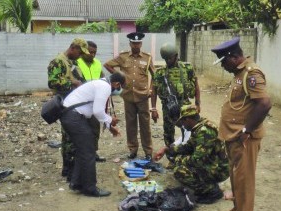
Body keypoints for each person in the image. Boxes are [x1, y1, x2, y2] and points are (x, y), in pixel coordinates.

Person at [211, 37, 272, 211]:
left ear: (233, 57)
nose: (223, 67)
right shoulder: (239, 73)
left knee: (244, 179)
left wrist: (247, 130)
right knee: (236, 177)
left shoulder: (251, 74)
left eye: (223, 62)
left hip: (244, 138)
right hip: (233, 136)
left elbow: (264, 103)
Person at [59, 72, 126, 197]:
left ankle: (76, 183)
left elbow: (96, 112)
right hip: (73, 116)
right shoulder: (105, 86)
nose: (118, 90)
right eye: (119, 87)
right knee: (88, 150)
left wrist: (109, 126)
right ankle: (90, 188)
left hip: (69, 114)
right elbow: (98, 111)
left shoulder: (100, 83)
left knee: (82, 149)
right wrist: (110, 121)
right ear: (116, 84)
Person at [153, 105, 228, 204]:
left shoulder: (204, 132)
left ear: (188, 119)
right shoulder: (199, 127)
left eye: (183, 122)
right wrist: (166, 149)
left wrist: (178, 160)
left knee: (179, 171)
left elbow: (198, 161)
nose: (182, 125)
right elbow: (188, 147)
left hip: (219, 169)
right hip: (212, 162)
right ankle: (206, 185)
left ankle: (211, 191)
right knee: (179, 160)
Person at [104, 32, 155, 160]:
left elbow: (155, 76)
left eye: (138, 43)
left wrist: (150, 89)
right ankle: (133, 149)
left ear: (141, 44)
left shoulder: (147, 58)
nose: (136, 45)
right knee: (131, 125)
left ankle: (148, 151)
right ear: (130, 43)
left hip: (143, 96)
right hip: (128, 95)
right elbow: (107, 64)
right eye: (134, 43)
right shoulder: (123, 57)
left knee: (145, 125)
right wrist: (119, 77)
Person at [47, 38, 88, 180]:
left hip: (75, 104)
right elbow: (53, 83)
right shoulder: (58, 62)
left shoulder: (74, 63)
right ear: (73, 48)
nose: (81, 55)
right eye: (80, 52)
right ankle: (69, 170)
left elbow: (80, 80)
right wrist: (73, 83)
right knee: (69, 138)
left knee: (73, 137)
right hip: (65, 105)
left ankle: (70, 169)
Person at [151, 43, 201, 147]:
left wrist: (197, 104)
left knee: (191, 129)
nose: (167, 61)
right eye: (165, 59)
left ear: (176, 55)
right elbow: (154, 91)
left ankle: (189, 150)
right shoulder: (160, 73)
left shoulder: (187, 68)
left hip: (185, 105)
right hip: (168, 107)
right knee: (168, 133)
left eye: (169, 58)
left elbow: (196, 86)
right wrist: (154, 109)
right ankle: (171, 153)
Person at [76, 40, 106, 163]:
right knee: (81, 130)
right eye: (90, 52)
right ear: (84, 51)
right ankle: (81, 155)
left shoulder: (97, 64)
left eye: (95, 53)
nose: (92, 55)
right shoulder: (77, 63)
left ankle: (93, 153)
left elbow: (103, 78)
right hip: (81, 103)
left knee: (94, 129)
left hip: (94, 103)